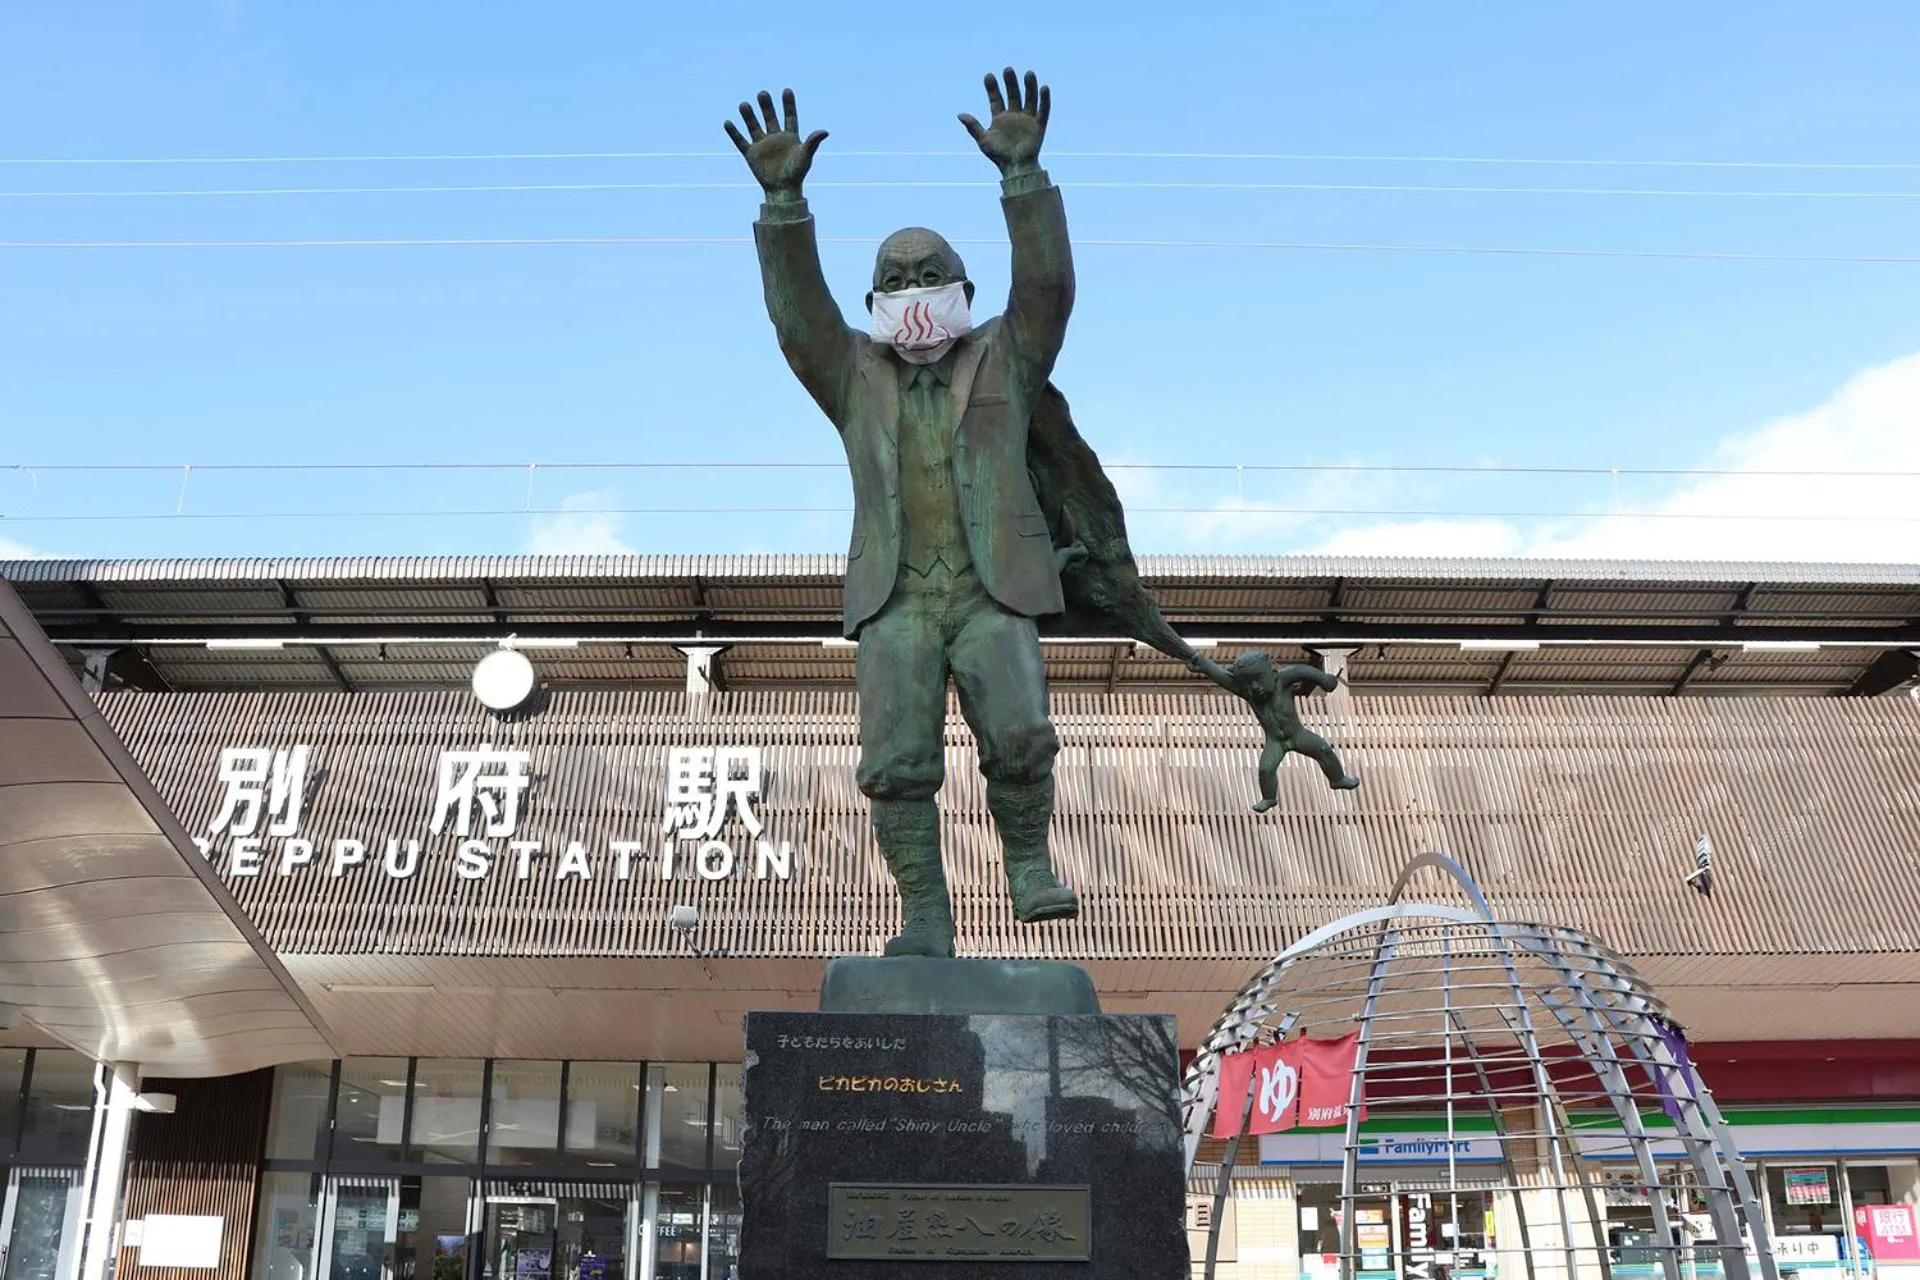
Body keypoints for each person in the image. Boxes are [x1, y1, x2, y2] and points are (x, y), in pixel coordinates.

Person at [726, 70, 1077, 958]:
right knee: (894, 764)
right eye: (897, 278)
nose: (915, 290)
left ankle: (1029, 866)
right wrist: (782, 206)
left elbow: (1047, 290)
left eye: (931, 276)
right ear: (874, 298)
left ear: (962, 286)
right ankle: (925, 915)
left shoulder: (1007, 353)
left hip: (992, 588)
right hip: (896, 599)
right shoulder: (851, 374)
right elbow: (797, 317)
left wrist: (1022, 180)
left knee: (1021, 732)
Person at [1225, 652, 1362, 809]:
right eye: (1248, 684)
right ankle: (1269, 798)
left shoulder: (1283, 680)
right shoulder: (1248, 693)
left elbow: (1301, 671)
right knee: (1265, 769)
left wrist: (1324, 680)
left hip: (1298, 735)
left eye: (1259, 679)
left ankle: (1338, 779)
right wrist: (1193, 657)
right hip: (1275, 741)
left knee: (1323, 749)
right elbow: (1213, 671)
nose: (1255, 687)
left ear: (1273, 674)